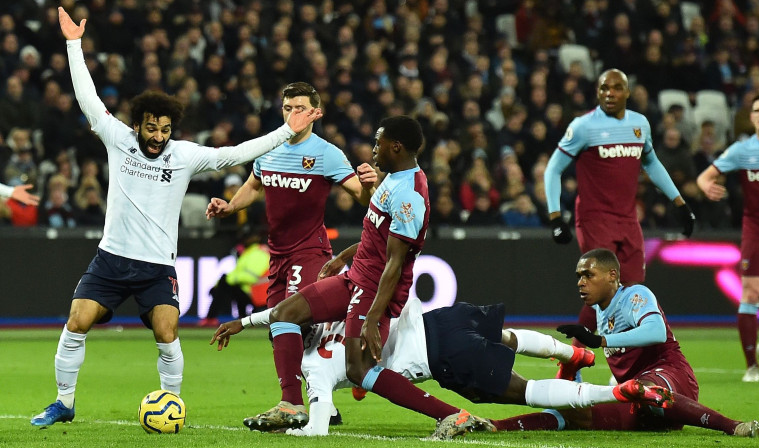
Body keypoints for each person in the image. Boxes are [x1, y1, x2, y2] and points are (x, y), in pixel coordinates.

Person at [30, 8, 323, 428]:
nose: (158, 136)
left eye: (165, 129)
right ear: (138, 125)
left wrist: (285, 131)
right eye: (151, 128)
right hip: (111, 258)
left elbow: (233, 154)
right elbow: (88, 100)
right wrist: (74, 45)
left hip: (156, 266)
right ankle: (64, 402)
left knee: (167, 334)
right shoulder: (118, 140)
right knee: (77, 321)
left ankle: (172, 406)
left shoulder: (183, 155)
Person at [214, 116, 484, 440]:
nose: (373, 149)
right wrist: (343, 257)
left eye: (378, 142)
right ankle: (291, 404)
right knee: (285, 315)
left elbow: (394, 264)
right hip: (355, 277)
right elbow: (376, 238)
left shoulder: (411, 195)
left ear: (395, 146)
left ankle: (453, 415)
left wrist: (372, 317)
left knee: (360, 370)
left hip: (372, 289)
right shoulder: (394, 180)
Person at [211, 296, 673, 437]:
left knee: (524, 392)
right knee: (506, 337)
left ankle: (616, 392)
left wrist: (294, 428)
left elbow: (317, 427)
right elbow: (283, 313)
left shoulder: (316, 364)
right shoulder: (345, 305)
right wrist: (243, 321)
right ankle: (569, 352)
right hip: (444, 319)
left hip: (445, 360)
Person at [204, 81, 378, 425]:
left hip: (310, 251)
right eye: (287, 109)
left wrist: (370, 183)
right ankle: (324, 403)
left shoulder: (326, 153)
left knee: (289, 321)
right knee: (283, 330)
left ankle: (292, 402)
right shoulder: (270, 147)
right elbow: (254, 184)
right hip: (278, 255)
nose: (292, 115)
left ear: (316, 112)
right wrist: (229, 206)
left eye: (299, 108)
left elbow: (360, 196)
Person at [543, 69, 696, 378]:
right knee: (599, 291)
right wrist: (555, 216)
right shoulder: (584, 127)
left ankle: (624, 367)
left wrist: (679, 202)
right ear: (597, 93)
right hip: (595, 217)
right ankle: (571, 365)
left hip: (628, 220)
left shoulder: (640, 125)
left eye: (616, 88)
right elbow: (553, 169)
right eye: (603, 88)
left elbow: (651, 162)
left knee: (634, 292)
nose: (609, 93)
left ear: (628, 92)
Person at [516, 248, 759, 437]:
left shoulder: (635, 295)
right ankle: (493, 426)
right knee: (573, 415)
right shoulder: (599, 311)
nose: (581, 282)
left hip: (672, 377)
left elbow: (656, 332)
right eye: (579, 276)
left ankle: (733, 426)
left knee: (643, 389)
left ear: (612, 275)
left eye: (588, 275)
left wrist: (601, 340)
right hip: (634, 398)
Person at [697, 92, 759, 383]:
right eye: (757, 110)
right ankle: (752, 365)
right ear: (751, 116)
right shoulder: (742, 151)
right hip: (756, 232)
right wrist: (707, 186)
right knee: (751, 295)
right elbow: (705, 176)